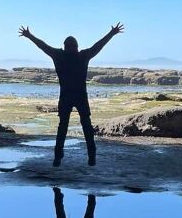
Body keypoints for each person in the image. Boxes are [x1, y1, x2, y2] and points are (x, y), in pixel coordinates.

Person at [19, 22, 124, 166]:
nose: (72, 48)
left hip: (67, 96)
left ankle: (59, 156)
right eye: (72, 46)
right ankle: (89, 156)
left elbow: (43, 46)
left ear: (65, 46)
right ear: (76, 47)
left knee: (65, 127)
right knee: (84, 126)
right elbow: (98, 46)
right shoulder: (82, 55)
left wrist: (29, 36)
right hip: (79, 96)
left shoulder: (59, 55)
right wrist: (111, 33)